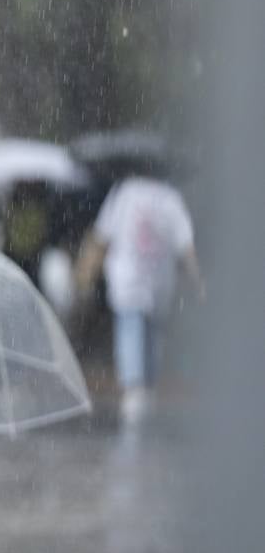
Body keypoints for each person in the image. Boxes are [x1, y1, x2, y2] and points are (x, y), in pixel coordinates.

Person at [74, 173, 204, 425]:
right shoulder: (170, 199)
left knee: (132, 331)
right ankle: (143, 387)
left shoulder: (125, 192)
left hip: (130, 279)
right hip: (156, 283)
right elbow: (185, 243)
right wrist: (197, 278)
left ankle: (135, 389)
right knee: (148, 334)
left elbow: (102, 235)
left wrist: (86, 270)